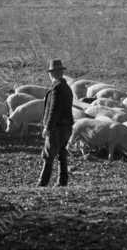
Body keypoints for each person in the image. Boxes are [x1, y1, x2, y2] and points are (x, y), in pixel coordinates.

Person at [39, 58, 74, 187]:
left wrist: (48, 127)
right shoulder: (67, 88)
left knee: (48, 155)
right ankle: (62, 181)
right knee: (62, 153)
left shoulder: (56, 89)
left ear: (52, 73)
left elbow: (54, 109)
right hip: (67, 126)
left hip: (56, 127)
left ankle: (43, 183)